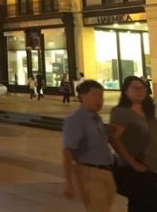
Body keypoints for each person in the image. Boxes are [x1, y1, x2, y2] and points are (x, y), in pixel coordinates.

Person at [62, 80, 115, 212]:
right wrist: (69, 182)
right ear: (82, 97)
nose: (99, 100)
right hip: (89, 173)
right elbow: (68, 151)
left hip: (106, 170)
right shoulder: (76, 119)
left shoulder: (97, 119)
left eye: (101, 96)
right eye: (94, 95)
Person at [109, 76, 155, 211]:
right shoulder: (122, 112)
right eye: (135, 88)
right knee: (140, 205)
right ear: (125, 91)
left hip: (153, 167)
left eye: (142, 88)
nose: (140, 91)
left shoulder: (148, 112)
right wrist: (132, 162)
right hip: (139, 169)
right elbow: (114, 139)